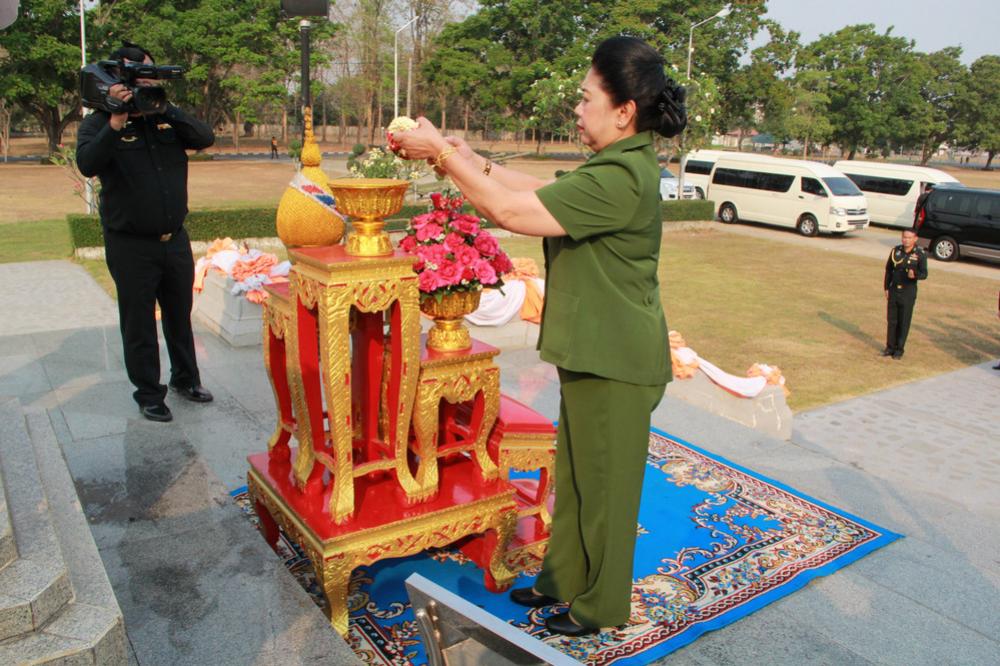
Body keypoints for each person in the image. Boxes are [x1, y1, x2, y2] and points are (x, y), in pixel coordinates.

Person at [391, 36, 685, 636]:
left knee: (607, 491)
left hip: (618, 358)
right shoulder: (616, 164)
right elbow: (534, 190)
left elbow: (513, 212)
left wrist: (444, 156)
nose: (577, 109)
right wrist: (467, 156)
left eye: (586, 98)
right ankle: (563, 580)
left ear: (624, 111)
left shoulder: (624, 175)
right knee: (577, 478)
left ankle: (601, 606)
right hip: (595, 349)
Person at [77, 41, 215, 422]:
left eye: (152, 77)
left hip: (174, 240)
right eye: (140, 79)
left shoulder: (164, 119)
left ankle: (186, 379)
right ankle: (149, 394)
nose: (147, 85)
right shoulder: (98, 123)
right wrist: (116, 122)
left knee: (179, 314)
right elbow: (87, 164)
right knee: (138, 322)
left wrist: (164, 107)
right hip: (130, 245)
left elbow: (204, 137)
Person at [882, 228, 928, 360]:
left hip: (908, 292)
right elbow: (889, 270)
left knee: (903, 321)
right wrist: (886, 287)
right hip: (894, 290)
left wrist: (915, 275)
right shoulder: (896, 251)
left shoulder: (920, 254)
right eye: (904, 237)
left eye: (909, 238)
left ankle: (899, 349)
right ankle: (890, 347)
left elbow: (924, 274)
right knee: (892, 320)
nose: (906, 240)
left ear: (915, 239)